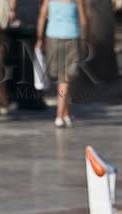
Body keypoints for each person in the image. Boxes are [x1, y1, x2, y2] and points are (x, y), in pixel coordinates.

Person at [36, 0, 87, 128]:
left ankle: (66, 114)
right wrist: (86, 39)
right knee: (64, 78)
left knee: (62, 78)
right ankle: (59, 116)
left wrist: (39, 38)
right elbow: (83, 21)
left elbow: (42, 16)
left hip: (52, 37)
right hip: (71, 36)